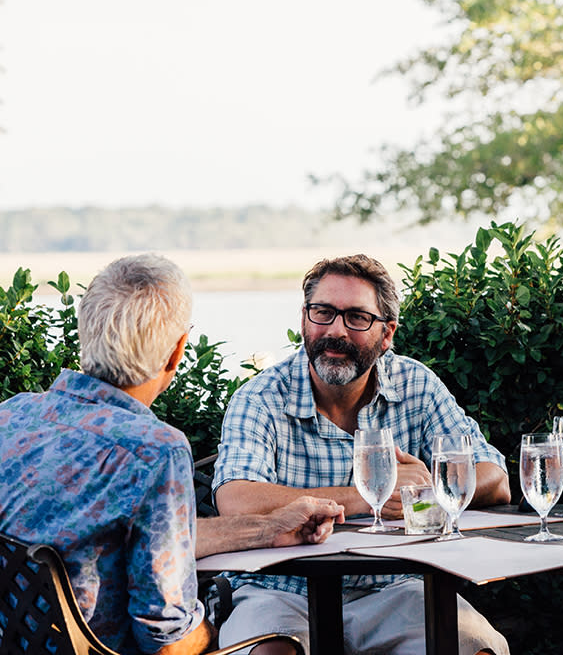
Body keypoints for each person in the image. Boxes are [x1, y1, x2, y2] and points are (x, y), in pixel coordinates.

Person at [0, 253, 344, 655]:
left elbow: (123, 546)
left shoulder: (12, 417)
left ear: (85, 331)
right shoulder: (154, 451)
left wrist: (268, 529)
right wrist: (219, 636)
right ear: (177, 352)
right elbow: (166, 639)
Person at [212, 254, 511, 655]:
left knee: (476, 648)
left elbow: (495, 478)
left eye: (356, 318)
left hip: (398, 587)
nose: (335, 330)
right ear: (304, 319)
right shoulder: (261, 397)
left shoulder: (417, 385)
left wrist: (429, 488)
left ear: (386, 333)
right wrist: (371, 492)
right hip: (277, 588)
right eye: (323, 313)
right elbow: (234, 499)